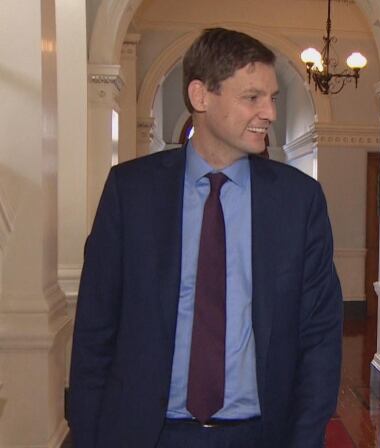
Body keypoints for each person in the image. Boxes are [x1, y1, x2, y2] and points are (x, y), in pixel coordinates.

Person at [69, 28, 343, 448]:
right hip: (147, 433)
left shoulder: (298, 201)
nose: (269, 112)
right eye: (252, 97)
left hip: (260, 434)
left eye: (273, 98)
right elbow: (95, 329)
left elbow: (320, 335)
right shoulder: (131, 192)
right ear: (201, 96)